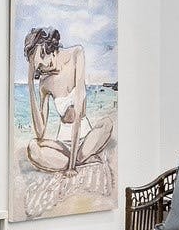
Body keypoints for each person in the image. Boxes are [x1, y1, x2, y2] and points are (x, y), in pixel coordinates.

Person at [20, 25, 116, 173]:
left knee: (107, 123)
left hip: (86, 137)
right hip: (63, 144)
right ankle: (81, 159)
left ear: (47, 46)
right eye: (38, 66)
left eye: (43, 56)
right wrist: (30, 85)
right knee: (33, 147)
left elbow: (77, 112)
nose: (44, 66)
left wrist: (71, 167)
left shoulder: (76, 54)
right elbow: (40, 133)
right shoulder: (45, 83)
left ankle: (76, 159)